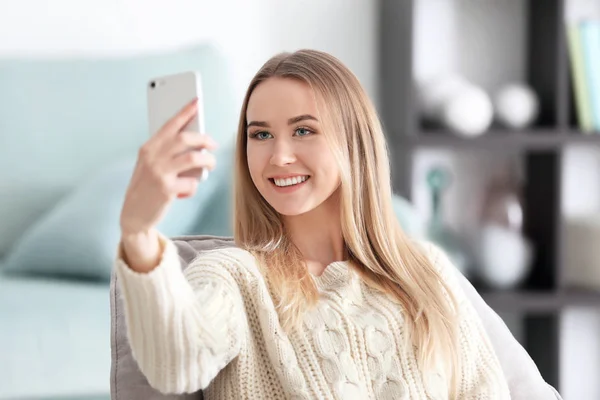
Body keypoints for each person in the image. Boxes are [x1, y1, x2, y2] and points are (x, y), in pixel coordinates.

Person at [115, 50, 535, 399]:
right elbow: (176, 365)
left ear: (353, 142)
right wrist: (137, 232)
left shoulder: (428, 272)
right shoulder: (234, 277)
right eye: (260, 135)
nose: (279, 155)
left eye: (302, 130)